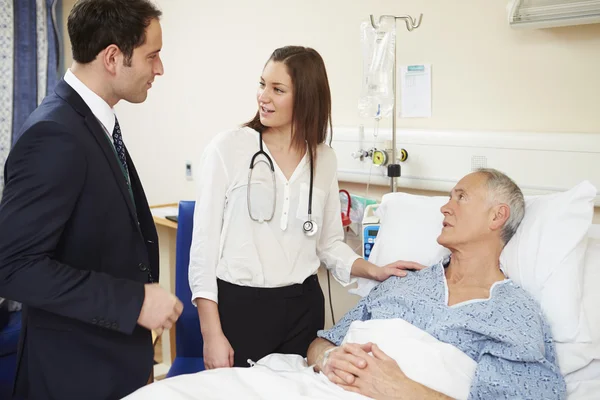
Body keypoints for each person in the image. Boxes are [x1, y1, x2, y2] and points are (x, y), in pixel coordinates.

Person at [189, 46, 418, 369]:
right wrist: (211, 333)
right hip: (241, 308)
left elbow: (329, 244)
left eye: (277, 89)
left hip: (302, 310)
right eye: (262, 84)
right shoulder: (229, 149)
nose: (263, 97)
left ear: (307, 98)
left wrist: (374, 270)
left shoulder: (323, 158)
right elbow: (203, 253)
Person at [0, 1, 183, 398]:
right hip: (74, 373)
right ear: (114, 58)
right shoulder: (54, 134)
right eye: (152, 56)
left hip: (109, 361)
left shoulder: (92, 122)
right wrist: (133, 301)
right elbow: (14, 267)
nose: (159, 69)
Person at [307, 169, 567, 399]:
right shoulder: (402, 280)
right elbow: (321, 344)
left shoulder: (514, 314)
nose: (445, 207)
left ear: (497, 216)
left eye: (461, 197)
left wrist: (404, 391)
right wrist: (328, 358)